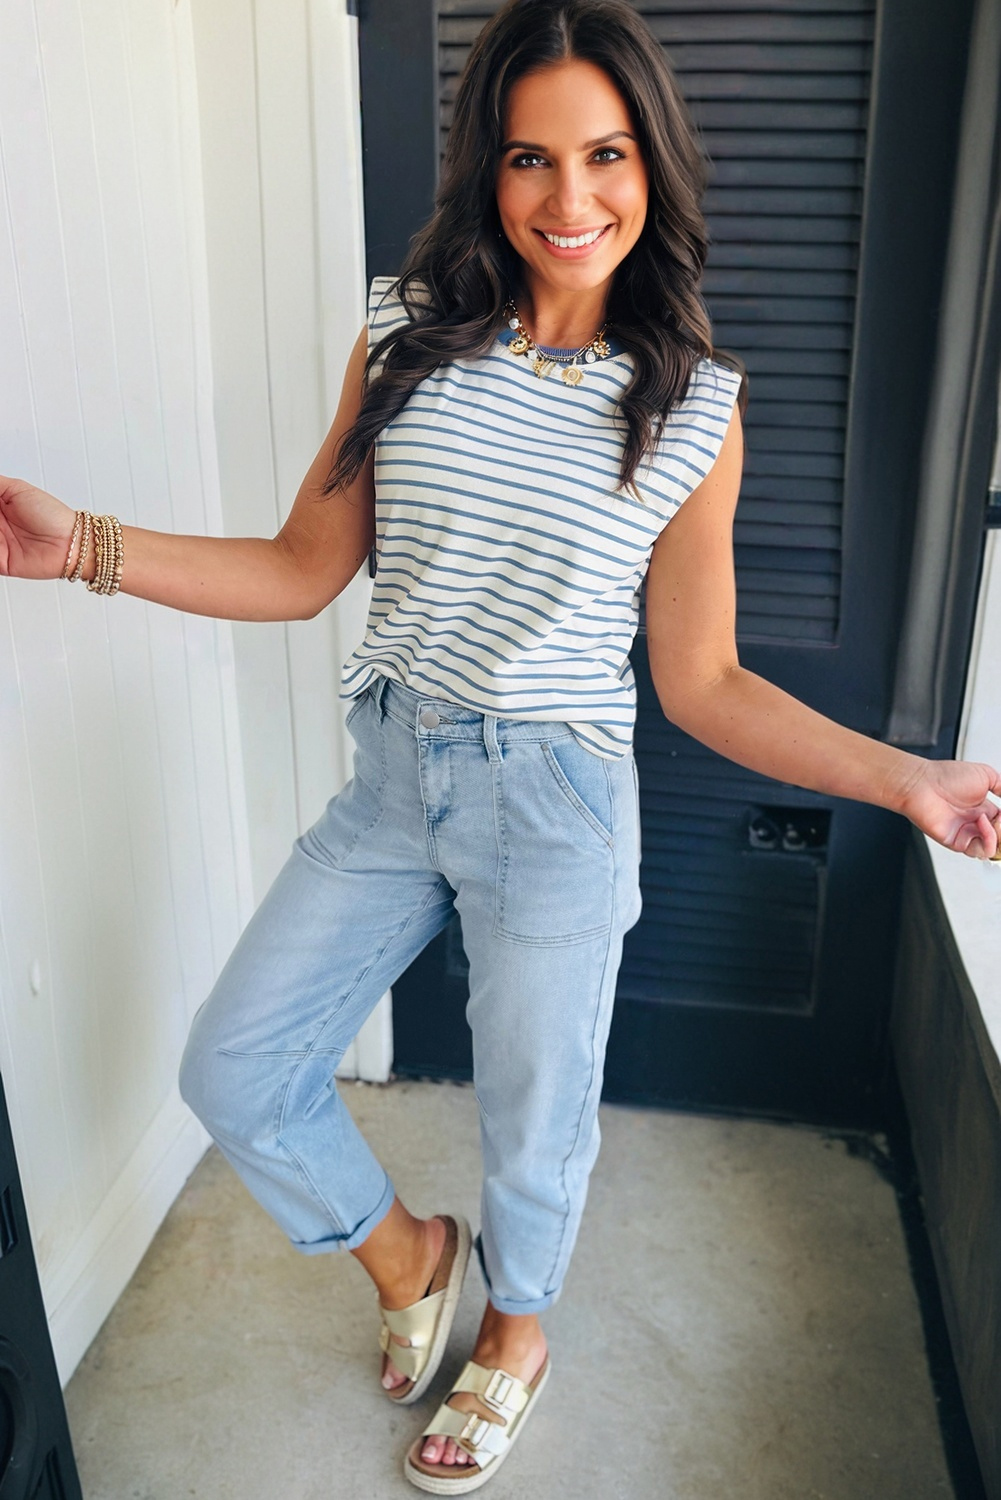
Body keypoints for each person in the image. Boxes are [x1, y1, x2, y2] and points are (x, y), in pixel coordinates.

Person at [2, 0, 999, 1490]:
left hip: (555, 803)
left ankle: (517, 1333)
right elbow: (300, 569)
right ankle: (412, 1257)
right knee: (237, 1066)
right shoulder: (406, 331)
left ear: (651, 165)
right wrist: (81, 544)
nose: (568, 198)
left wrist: (906, 777)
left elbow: (706, 683)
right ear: (489, 167)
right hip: (395, 777)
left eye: (605, 155)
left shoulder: (691, 405)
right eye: (532, 158)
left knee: (535, 1125)